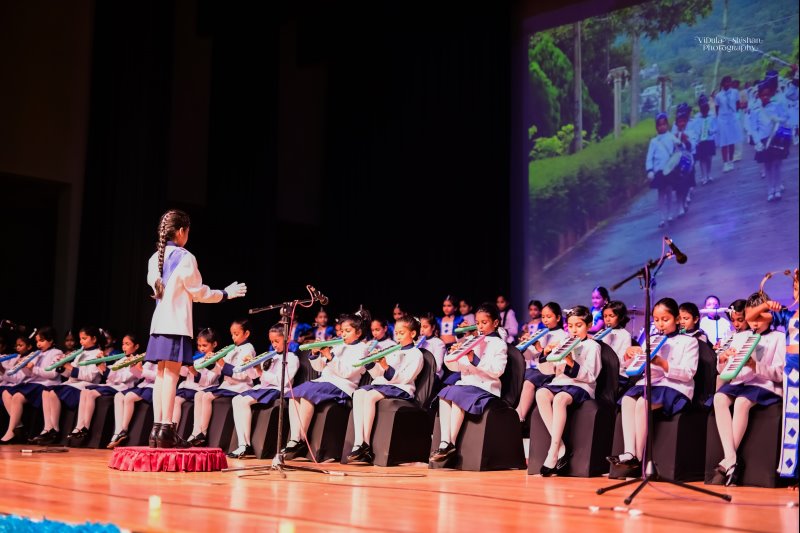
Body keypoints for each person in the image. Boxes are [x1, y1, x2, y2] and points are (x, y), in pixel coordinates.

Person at [144, 209, 246, 448]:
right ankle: (166, 428)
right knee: (170, 376)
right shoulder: (186, 257)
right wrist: (225, 294)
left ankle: (157, 429)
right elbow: (199, 292)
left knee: (161, 375)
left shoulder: (154, 257)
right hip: (176, 324)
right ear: (181, 231)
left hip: (158, 324)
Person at [607, 298, 699, 474]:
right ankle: (629, 452)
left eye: (665, 319)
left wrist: (662, 363)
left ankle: (637, 457)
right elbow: (636, 369)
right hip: (652, 383)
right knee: (627, 400)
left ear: (677, 319)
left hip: (675, 386)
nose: (660, 324)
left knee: (643, 402)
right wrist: (629, 356)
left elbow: (688, 373)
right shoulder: (652, 340)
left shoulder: (689, 341)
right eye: (656, 320)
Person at [710, 292, 785, 486]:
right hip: (740, 384)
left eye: (760, 317)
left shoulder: (778, 337)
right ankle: (731, 459)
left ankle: (728, 461)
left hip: (764, 384)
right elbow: (725, 372)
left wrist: (755, 366)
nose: (755, 322)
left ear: (769, 315)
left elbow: (779, 373)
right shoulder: (741, 337)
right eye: (752, 318)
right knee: (719, 398)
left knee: (742, 403)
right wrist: (723, 359)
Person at [281, 313, 368, 459]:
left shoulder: (362, 349)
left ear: (358, 333)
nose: (343, 334)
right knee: (294, 393)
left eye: (348, 331)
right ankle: (295, 438)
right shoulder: (338, 345)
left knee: (307, 394)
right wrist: (315, 354)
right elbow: (319, 368)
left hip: (342, 385)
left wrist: (329, 356)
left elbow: (347, 372)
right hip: (325, 381)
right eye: (342, 331)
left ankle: (300, 439)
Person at [430, 303, 508, 464]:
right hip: (467, 384)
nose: (480, 326)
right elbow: (455, 367)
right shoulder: (471, 340)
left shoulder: (499, 344)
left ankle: (450, 443)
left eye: (484, 322)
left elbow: (497, 371)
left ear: (495, 323)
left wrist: (474, 359)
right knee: (444, 394)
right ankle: (445, 441)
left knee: (457, 395)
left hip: (485, 387)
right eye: (478, 323)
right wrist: (452, 354)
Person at [347, 315, 424, 464]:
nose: (398, 336)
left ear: (413, 333)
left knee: (370, 396)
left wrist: (385, 366)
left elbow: (404, 378)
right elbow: (378, 375)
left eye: (402, 333)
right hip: (384, 384)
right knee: (359, 393)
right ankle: (358, 442)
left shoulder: (417, 354)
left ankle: (365, 444)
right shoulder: (392, 350)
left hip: (401, 387)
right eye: (397, 333)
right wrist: (371, 363)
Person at [535, 306, 602, 476]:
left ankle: (552, 452)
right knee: (540, 393)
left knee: (560, 399)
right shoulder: (564, 343)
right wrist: (546, 354)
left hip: (581, 385)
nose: (574, 330)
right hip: (560, 382)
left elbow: (591, 376)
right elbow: (548, 371)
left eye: (579, 325)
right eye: (571, 326)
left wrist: (571, 362)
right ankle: (561, 446)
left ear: (589, 325)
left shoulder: (593, 346)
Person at [747, 269, 799, 481]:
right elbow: (750, 316)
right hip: (792, 370)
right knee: (793, 420)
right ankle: (794, 473)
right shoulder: (788, 315)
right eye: (795, 288)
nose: (797, 293)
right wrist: (766, 305)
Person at [228, 324, 299, 459]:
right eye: (272, 342)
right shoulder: (269, 356)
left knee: (244, 402)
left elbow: (282, 381)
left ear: (287, 339)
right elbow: (254, 376)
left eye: (277, 341)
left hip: (276, 389)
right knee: (236, 399)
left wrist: (260, 371)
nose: (274, 345)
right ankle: (242, 443)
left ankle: (245, 445)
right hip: (264, 388)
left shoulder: (291, 358)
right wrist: (251, 366)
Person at [187, 319, 258, 447]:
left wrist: (221, 362)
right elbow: (219, 370)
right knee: (199, 395)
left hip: (240, 386)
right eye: (232, 334)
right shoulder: (232, 348)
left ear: (246, 334)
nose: (233, 337)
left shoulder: (248, 349)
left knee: (207, 396)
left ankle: (202, 433)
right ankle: (196, 431)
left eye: (236, 334)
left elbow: (242, 374)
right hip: (228, 385)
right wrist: (212, 362)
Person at [66, 333, 142, 447]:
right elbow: (111, 370)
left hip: (122, 387)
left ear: (136, 346)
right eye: (123, 344)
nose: (124, 347)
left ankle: (85, 427)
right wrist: (101, 363)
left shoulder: (138, 361)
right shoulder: (123, 358)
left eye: (127, 344)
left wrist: (104, 369)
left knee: (90, 394)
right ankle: (79, 426)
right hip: (112, 385)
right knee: (85, 391)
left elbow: (123, 378)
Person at [1, 329, 63, 444]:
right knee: (5, 393)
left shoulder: (56, 352)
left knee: (17, 397)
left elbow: (53, 374)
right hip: (32, 383)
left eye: (42, 341)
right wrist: (23, 366)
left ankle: (11, 431)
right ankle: (18, 426)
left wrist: (33, 368)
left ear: (51, 340)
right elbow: (28, 375)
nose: (38, 344)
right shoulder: (36, 354)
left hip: (45, 384)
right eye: (37, 341)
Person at [515, 302, 567, 422]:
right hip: (540, 369)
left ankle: (520, 416)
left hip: (552, 372)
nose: (545, 320)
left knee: (529, 380)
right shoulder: (543, 332)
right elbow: (533, 355)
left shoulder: (562, 335)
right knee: (523, 374)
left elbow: (555, 359)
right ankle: (517, 412)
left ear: (558, 318)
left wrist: (539, 348)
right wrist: (526, 344)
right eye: (543, 317)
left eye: (549, 316)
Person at [170, 328, 221, 429]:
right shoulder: (196, 357)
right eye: (199, 345)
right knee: (175, 400)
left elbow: (208, 381)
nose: (201, 349)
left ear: (214, 344)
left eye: (204, 345)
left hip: (202, 389)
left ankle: (197, 430)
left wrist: (193, 371)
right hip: (188, 388)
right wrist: (182, 366)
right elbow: (184, 374)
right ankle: (172, 431)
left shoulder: (216, 360)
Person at [751, 79, 790, 202]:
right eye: (763, 95)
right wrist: (757, 142)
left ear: (770, 94)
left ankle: (777, 188)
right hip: (763, 140)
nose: (765, 97)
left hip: (776, 138)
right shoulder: (755, 110)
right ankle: (770, 189)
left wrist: (777, 119)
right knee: (767, 165)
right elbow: (753, 128)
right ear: (759, 95)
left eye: (767, 94)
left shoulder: (776, 105)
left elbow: (786, 117)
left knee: (777, 164)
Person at [646, 113, 678, 227]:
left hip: (669, 169)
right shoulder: (654, 141)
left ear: (667, 125)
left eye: (664, 124)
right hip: (659, 171)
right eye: (659, 125)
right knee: (661, 193)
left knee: (669, 191)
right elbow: (649, 157)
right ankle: (661, 217)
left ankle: (669, 214)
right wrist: (649, 170)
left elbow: (678, 147)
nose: (662, 127)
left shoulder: (671, 137)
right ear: (656, 127)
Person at [599, 301, 633, 391]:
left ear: (620, 317)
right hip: (603, 372)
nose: (607, 319)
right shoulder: (602, 333)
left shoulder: (625, 335)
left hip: (618, 374)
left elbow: (623, 361)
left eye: (611, 316)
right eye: (605, 316)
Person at [671, 103, 697, 215]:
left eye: (683, 121)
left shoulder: (690, 132)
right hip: (677, 164)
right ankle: (680, 205)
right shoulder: (673, 135)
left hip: (688, 163)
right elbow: (671, 148)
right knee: (678, 186)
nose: (682, 124)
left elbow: (692, 147)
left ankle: (685, 199)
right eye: (679, 121)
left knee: (687, 184)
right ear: (676, 123)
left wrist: (686, 141)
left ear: (686, 122)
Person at [716, 76, 742, 173]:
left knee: (731, 140)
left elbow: (737, 104)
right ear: (723, 84)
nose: (728, 83)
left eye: (729, 82)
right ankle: (725, 163)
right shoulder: (719, 95)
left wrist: (735, 114)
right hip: (722, 119)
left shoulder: (735, 92)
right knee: (724, 142)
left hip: (732, 118)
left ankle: (730, 161)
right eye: (726, 82)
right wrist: (719, 120)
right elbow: (717, 108)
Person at [692, 94, 718, 185]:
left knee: (709, 157)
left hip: (710, 139)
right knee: (702, 159)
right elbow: (695, 130)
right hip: (701, 141)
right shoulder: (696, 118)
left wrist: (710, 131)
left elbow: (716, 128)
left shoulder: (712, 116)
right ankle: (703, 176)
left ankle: (709, 173)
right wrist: (697, 137)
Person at [417, 313, 447, 378]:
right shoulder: (417, 342)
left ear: (433, 327)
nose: (422, 330)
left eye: (425, 327)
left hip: (432, 375)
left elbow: (437, 367)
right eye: (420, 327)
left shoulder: (438, 343)